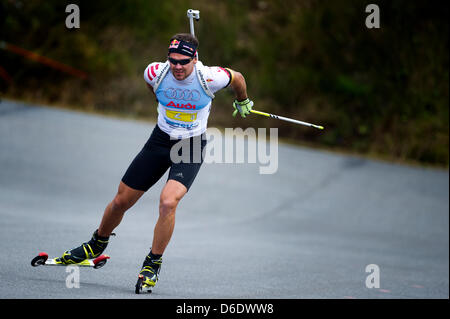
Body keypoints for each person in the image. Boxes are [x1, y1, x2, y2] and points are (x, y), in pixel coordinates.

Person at [55, 33, 254, 291]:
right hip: (160, 140)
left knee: (168, 202)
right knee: (121, 201)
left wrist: (242, 100)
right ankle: (96, 243)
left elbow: (237, 77)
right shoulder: (155, 72)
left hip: (190, 145)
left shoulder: (210, 78)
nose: (177, 67)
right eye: (173, 61)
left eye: (183, 61)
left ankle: (153, 263)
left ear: (195, 59)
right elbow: (152, 87)